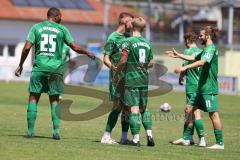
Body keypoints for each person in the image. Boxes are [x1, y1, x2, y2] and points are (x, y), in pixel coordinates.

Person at [15, 7, 95, 140]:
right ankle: (56, 132)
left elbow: (27, 48)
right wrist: (87, 52)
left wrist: (21, 65)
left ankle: (30, 132)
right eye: (60, 16)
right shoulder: (62, 29)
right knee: (55, 100)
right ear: (56, 16)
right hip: (56, 70)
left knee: (33, 97)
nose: (61, 18)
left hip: (39, 68)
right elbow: (74, 47)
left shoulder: (36, 27)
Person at [167, 26, 224, 149]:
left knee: (213, 114)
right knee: (190, 109)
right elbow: (194, 58)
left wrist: (184, 68)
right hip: (201, 88)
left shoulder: (211, 49)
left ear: (208, 36)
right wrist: (178, 55)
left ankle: (219, 143)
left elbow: (202, 62)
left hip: (209, 87)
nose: (199, 37)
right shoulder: (205, 49)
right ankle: (187, 138)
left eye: (201, 35)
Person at [116, 17, 154, 146]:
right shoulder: (148, 43)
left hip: (131, 80)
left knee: (133, 110)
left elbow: (123, 60)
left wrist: (117, 71)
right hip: (144, 79)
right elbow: (151, 63)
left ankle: (136, 139)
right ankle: (149, 135)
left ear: (132, 26)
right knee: (144, 109)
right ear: (143, 28)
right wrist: (141, 67)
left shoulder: (128, 41)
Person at [101, 12, 134, 144]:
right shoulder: (113, 38)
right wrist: (114, 68)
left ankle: (124, 137)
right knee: (117, 106)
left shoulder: (129, 37)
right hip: (117, 78)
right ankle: (106, 136)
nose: (133, 24)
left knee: (127, 107)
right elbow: (105, 59)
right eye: (131, 21)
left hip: (128, 78)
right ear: (125, 22)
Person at [168, 32, 206, 146]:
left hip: (192, 85)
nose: (185, 43)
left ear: (188, 40)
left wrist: (180, 77)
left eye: (185, 41)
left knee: (191, 111)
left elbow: (183, 68)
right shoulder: (201, 51)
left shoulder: (188, 52)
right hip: (201, 85)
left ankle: (196, 139)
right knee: (193, 111)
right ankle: (190, 138)